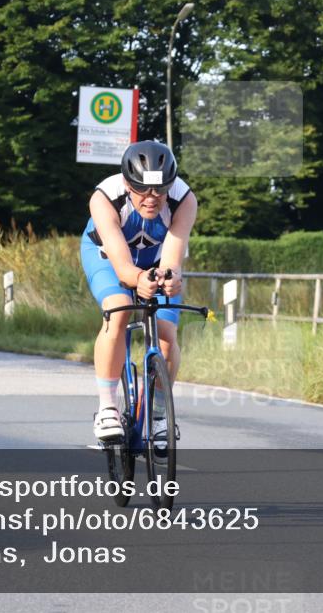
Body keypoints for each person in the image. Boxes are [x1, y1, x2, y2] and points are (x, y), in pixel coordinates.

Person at [80, 140, 197, 442]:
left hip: (154, 258)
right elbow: (122, 267)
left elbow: (171, 258)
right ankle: (107, 409)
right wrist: (137, 279)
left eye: (159, 190)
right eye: (142, 189)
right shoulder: (105, 198)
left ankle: (158, 414)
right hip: (107, 256)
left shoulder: (184, 200)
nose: (151, 198)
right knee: (118, 310)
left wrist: (170, 278)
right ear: (127, 183)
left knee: (167, 336)